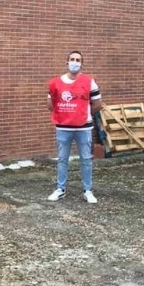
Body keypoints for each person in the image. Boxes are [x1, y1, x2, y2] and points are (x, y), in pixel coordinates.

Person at [46, 51, 103, 203]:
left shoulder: (89, 82)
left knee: (86, 159)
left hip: (84, 128)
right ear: (67, 62)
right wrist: (65, 112)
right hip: (63, 127)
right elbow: (50, 105)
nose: (75, 62)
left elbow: (98, 104)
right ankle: (60, 189)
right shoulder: (55, 83)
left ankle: (87, 190)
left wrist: (83, 113)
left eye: (78, 60)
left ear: (81, 63)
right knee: (62, 159)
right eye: (72, 59)